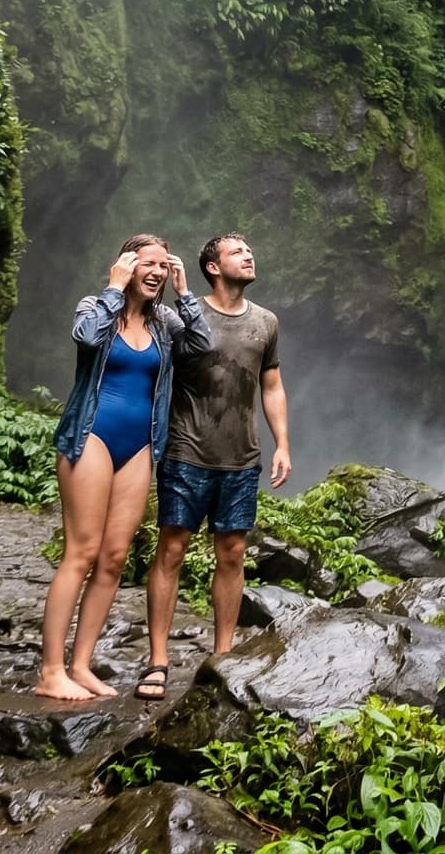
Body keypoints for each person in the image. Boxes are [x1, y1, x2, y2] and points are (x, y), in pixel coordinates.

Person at [37, 235, 208, 701]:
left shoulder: (165, 320)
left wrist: (185, 291)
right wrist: (114, 288)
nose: (155, 272)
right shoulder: (96, 306)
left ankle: (82, 665)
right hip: (91, 434)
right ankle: (51, 670)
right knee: (82, 551)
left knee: (113, 558)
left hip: (140, 446)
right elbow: (85, 338)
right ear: (127, 265)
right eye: (146, 264)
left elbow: (202, 345)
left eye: (162, 265)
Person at [142, 232, 289, 698]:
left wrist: (283, 443)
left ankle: (222, 655)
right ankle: (158, 660)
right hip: (187, 451)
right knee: (172, 550)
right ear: (212, 266)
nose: (249, 255)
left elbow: (271, 386)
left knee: (232, 553)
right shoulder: (183, 316)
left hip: (241, 456)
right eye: (237, 251)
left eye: (250, 249)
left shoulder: (266, 322)